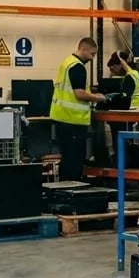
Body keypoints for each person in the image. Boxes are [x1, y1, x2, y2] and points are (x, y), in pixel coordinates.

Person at [50, 37, 106, 181]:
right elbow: (79, 93)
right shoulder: (77, 66)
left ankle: (63, 189)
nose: (93, 58)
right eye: (92, 54)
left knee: (68, 157)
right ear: (83, 49)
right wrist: (98, 97)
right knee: (74, 160)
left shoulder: (67, 62)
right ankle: (71, 188)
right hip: (73, 120)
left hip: (62, 117)